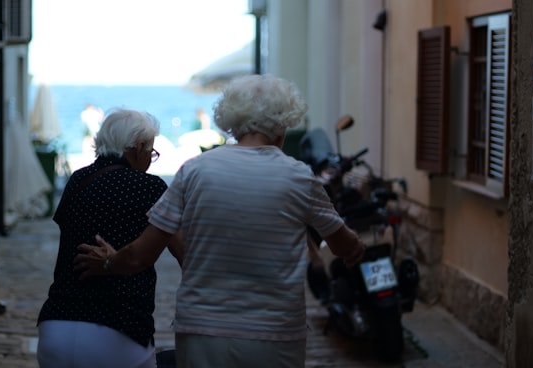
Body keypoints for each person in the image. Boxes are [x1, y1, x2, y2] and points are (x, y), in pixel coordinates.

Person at [74, 74, 367, 368]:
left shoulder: (194, 171)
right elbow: (343, 244)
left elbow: (141, 254)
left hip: (201, 332)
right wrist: (355, 248)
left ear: (232, 121)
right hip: (275, 335)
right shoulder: (299, 177)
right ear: (283, 124)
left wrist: (110, 263)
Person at [37, 108, 182, 368]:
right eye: (151, 152)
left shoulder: (77, 180)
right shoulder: (150, 187)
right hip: (119, 330)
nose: (150, 159)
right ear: (137, 147)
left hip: (56, 327)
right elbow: (185, 252)